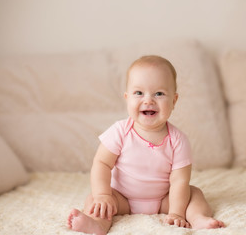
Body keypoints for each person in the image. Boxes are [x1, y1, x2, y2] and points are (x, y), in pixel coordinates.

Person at [67, 55, 225, 235]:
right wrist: (103, 195)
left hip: (163, 200)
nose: (148, 100)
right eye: (139, 93)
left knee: (194, 193)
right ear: (127, 98)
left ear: (174, 101)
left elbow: (179, 180)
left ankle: (198, 219)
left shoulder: (178, 140)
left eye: (159, 93)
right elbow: (102, 163)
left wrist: (176, 212)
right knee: (94, 200)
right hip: (122, 198)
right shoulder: (120, 131)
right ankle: (97, 224)